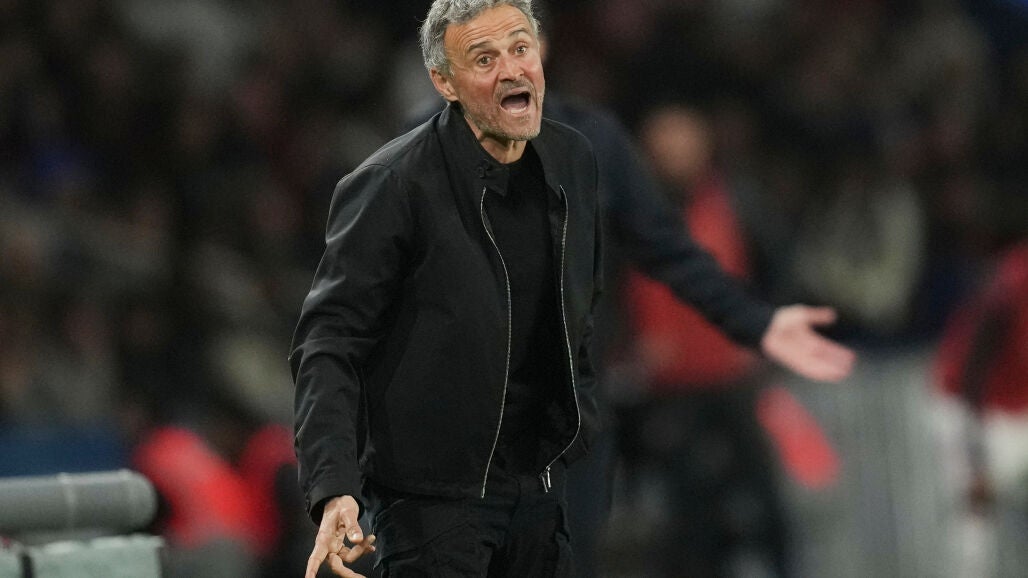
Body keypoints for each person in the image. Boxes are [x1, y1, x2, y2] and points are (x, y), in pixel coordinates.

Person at [291, 1, 856, 577]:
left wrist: (756, 322)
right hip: (438, 471)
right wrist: (334, 483)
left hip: (557, 458)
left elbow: (667, 247)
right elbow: (331, 339)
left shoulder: (587, 150)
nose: (510, 70)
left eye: (519, 48)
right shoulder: (393, 177)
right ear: (444, 79)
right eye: (484, 58)